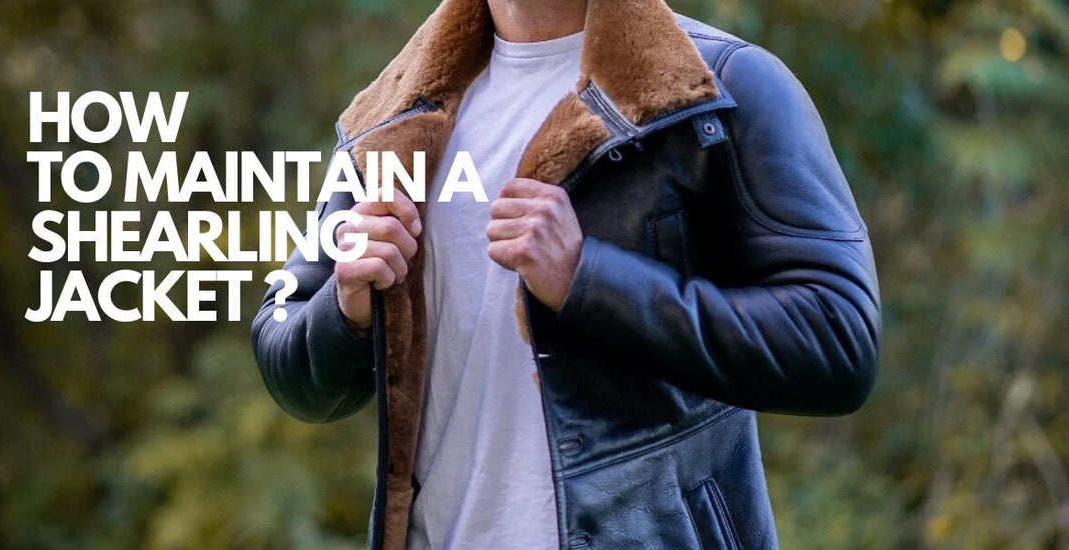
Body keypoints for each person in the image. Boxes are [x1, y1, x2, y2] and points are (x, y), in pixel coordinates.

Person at [252, 0, 881, 548]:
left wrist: (587, 279)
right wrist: (348, 307)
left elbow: (838, 340)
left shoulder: (719, 88)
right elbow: (289, 363)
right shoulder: (384, 124)